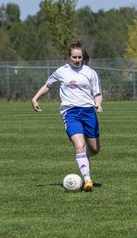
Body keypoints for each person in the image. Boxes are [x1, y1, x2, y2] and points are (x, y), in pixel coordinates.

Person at [31, 41, 103, 192]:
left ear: (83, 57)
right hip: (70, 113)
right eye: (74, 57)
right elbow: (47, 86)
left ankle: (83, 157)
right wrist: (35, 98)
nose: (77, 60)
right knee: (79, 146)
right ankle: (87, 180)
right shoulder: (61, 71)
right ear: (69, 56)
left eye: (79, 57)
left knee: (95, 149)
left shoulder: (90, 73)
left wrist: (98, 104)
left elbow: (97, 93)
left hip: (88, 112)